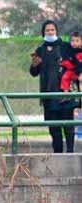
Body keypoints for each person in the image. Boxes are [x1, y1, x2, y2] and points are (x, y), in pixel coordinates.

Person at [30, 20, 76, 153]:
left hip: (65, 94)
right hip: (48, 96)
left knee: (68, 127)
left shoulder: (65, 46)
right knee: (54, 129)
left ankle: (70, 153)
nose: (50, 32)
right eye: (47, 30)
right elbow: (34, 73)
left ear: (56, 31)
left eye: (52, 30)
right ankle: (58, 154)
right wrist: (35, 64)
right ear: (43, 33)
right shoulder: (40, 50)